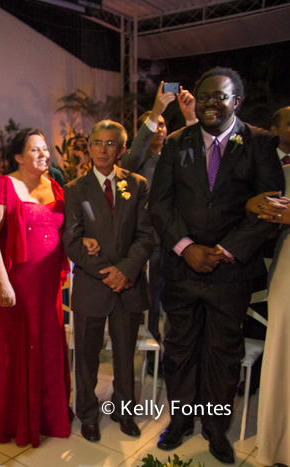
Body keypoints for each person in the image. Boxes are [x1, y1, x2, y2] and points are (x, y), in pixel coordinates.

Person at [149, 67, 284, 463]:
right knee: (180, 350)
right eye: (204, 96)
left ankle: (215, 428)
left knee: (223, 355)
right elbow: (160, 204)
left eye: (219, 97)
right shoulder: (177, 142)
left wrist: (225, 251)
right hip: (182, 268)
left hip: (231, 272)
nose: (210, 102)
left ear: (236, 102)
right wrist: (187, 247)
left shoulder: (260, 143)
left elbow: (267, 207)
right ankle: (181, 422)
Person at [63, 120, 155, 443]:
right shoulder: (75, 189)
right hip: (92, 285)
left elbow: (146, 235)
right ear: (89, 147)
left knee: (125, 355)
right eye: (97, 143)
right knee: (87, 357)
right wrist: (108, 272)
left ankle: (124, 410)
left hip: (128, 285)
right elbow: (72, 242)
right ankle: (88, 414)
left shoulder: (139, 185)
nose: (103, 149)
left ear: (122, 148)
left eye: (111, 143)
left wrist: (125, 272)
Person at [0, 128, 73, 448]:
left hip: (48, 288)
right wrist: (3, 282)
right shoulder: (3, 186)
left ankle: (48, 417)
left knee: (47, 344)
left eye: (45, 149)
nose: (43, 155)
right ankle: (14, 419)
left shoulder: (57, 188)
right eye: (35, 150)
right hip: (16, 285)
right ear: (18, 157)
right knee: (17, 347)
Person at [121, 81, 197, 376]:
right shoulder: (137, 162)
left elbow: (199, 159)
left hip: (181, 241)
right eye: (156, 125)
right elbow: (131, 156)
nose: (161, 129)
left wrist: (190, 118)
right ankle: (153, 358)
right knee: (151, 304)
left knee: (179, 302)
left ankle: (178, 355)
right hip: (151, 244)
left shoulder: (178, 151)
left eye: (165, 123)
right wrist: (156, 110)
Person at [246, 168, 290, 467]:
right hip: (288, 265)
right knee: (283, 356)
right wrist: (255, 205)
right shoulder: (283, 173)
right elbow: (249, 203)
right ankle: (279, 445)